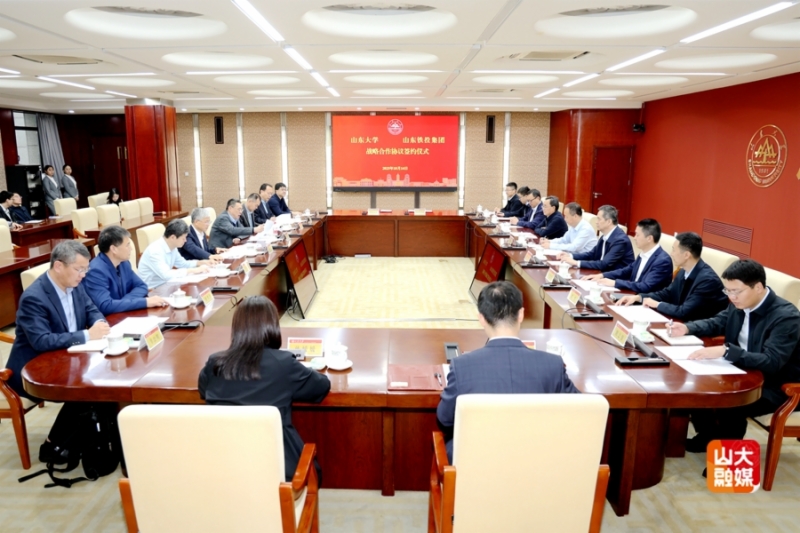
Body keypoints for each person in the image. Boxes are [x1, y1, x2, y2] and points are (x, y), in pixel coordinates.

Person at [667, 259, 800, 454]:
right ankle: (708, 437)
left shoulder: (786, 317)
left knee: (732, 402)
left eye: (736, 291)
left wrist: (727, 351)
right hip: (741, 370)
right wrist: (687, 328)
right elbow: (718, 322)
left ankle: (728, 459)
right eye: (727, 291)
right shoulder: (740, 304)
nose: (731, 297)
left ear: (758, 287)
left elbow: (771, 362)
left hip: (775, 385)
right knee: (697, 385)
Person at [436, 281, 579, 461]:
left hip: (479, 462)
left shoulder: (462, 366)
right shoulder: (552, 364)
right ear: (521, 314)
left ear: (481, 318)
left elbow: (444, 419)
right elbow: (581, 411)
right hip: (536, 461)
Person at [198, 296, 330, 481]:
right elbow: (321, 386)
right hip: (280, 473)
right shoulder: (283, 363)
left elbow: (203, 390)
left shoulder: (216, 363)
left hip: (224, 468)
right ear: (273, 326)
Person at [5, 240, 110, 464]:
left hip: (68, 358)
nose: (83, 275)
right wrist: (87, 335)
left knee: (105, 382)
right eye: (79, 269)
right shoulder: (34, 297)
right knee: (86, 391)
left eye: (86, 269)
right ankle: (54, 446)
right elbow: (41, 341)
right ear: (59, 266)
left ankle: (98, 438)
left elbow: (91, 309)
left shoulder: (75, 285)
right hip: (34, 370)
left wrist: (99, 324)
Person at [616, 232, 728, 320]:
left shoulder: (708, 280)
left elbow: (684, 311)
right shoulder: (683, 271)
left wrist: (657, 304)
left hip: (700, 333)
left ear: (686, 255)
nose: (671, 254)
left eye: (674, 250)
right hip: (680, 323)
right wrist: (639, 297)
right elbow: (667, 293)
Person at [83, 225, 168, 315]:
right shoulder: (96, 271)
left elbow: (142, 286)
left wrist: (124, 303)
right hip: (108, 320)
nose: (130, 248)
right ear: (114, 249)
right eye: (127, 245)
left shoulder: (124, 263)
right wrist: (145, 302)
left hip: (122, 313)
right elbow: (105, 305)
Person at [582, 218, 673, 293]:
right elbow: (626, 271)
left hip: (646, 302)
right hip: (631, 294)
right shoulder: (643, 254)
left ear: (649, 238)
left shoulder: (662, 261)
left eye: (637, 235)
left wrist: (615, 283)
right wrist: (602, 275)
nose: (634, 238)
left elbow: (645, 286)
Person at [138, 219, 213, 289]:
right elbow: (166, 275)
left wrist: (200, 262)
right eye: (183, 238)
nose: (185, 241)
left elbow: (183, 264)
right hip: (152, 290)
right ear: (173, 237)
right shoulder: (155, 251)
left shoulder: (172, 247)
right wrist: (193, 270)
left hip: (166, 285)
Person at [558, 205, 634, 272]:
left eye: (599, 219)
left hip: (616, 279)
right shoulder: (605, 236)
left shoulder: (620, 240)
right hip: (602, 274)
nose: (596, 222)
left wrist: (576, 263)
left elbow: (604, 264)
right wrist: (570, 255)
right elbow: (591, 254)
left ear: (609, 222)